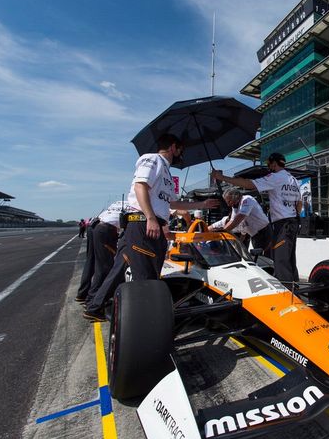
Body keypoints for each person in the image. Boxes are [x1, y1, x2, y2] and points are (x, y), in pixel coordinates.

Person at [84, 134, 220, 322]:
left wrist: (203, 205)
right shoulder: (153, 159)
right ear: (173, 147)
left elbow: (172, 203)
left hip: (144, 227)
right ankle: (147, 326)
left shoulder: (166, 172)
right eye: (181, 150)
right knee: (148, 280)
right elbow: (140, 186)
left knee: (118, 270)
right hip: (144, 225)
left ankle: (95, 307)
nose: (182, 154)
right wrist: (150, 218)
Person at [212, 152, 302, 284]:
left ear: (274, 163)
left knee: (280, 261)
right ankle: (296, 289)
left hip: (282, 225)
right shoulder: (293, 179)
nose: (268, 167)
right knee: (290, 259)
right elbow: (299, 204)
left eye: (269, 164)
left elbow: (249, 184)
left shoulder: (275, 177)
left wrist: (223, 177)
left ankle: (287, 295)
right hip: (293, 222)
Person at [80, 200, 127, 311]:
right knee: (105, 268)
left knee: (96, 264)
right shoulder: (139, 203)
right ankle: (92, 301)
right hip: (105, 230)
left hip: (96, 227)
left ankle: (87, 297)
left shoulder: (118, 202)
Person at [208, 187, 270, 252]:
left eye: (229, 201)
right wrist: (223, 233)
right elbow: (232, 220)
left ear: (236, 196)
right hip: (255, 235)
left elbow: (239, 218)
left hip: (264, 232)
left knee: (263, 257)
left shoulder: (247, 199)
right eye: (227, 202)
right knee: (257, 255)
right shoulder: (235, 206)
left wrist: (224, 232)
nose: (228, 204)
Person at [74, 217, 100, 302]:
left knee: (90, 260)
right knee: (104, 266)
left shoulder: (86, 221)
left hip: (92, 227)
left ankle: (83, 293)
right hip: (100, 228)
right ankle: (93, 298)